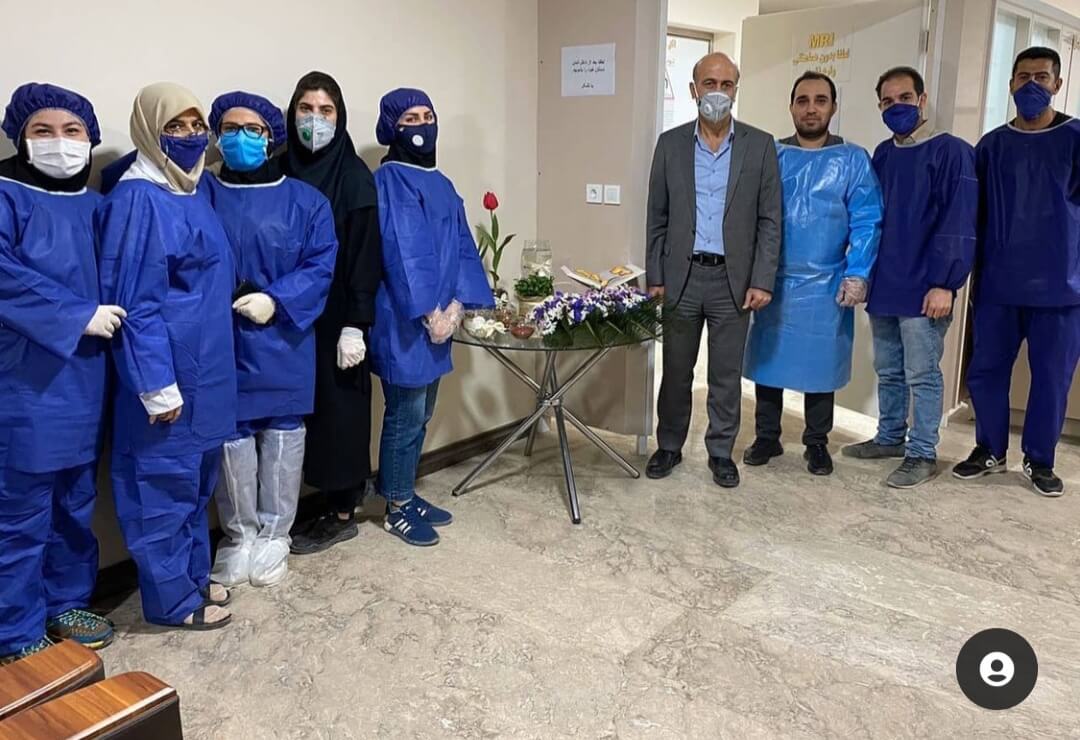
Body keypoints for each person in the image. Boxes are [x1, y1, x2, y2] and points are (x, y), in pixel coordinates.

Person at [96, 83, 237, 630]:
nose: (189, 136)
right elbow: (134, 301)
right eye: (174, 126)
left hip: (204, 370)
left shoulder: (191, 189)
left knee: (194, 489)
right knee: (160, 491)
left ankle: (193, 578)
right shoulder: (137, 199)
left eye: (196, 125)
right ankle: (171, 602)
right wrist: (155, 384)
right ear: (149, 132)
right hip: (166, 375)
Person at [0, 84, 120, 663]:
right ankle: (15, 631)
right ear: (19, 136)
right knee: (20, 512)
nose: (59, 142)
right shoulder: (6, 196)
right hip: (26, 383)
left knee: (75, 501)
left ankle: (65, 602)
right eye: (43, 131)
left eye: (72, 131)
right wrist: (74, 314)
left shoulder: (97, 205)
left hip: (87, 380)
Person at [203, 92, 337, 586]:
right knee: (230, 436)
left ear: (272, 136)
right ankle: (239, 536)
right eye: (230, 128)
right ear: (216, 135)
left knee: (283, 432)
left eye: (253, 129)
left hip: (282, 339)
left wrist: (276, 299)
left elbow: (321, 263)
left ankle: (277, 534)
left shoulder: (306, 201)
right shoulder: (200, 193)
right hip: (219, 342)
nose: (241, 137)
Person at [645, 52, 782, 488]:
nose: (717, 93)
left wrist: (762, 279)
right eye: (709, 83)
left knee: (725, 376)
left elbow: (770, 220)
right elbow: (657, 216)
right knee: (676, 372)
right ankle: (669, 445)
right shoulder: (670, 144)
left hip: (732, 281)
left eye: (726, 84)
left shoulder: (760, 145)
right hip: (681, 278)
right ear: (694, 90)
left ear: (735, 90)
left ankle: (721, 452)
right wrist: (655, 275)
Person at [841, 67, 976, 489]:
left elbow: (959, 221)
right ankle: (889, 437)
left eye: (904, 98)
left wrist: (945, 282)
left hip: (925, 286)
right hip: (886, 282)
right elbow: (871, 217)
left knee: (923, 373)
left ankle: (922, 453)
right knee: (889, 369)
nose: (895, 107)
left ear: (922, 99)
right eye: (887, 101)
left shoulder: (952, 152)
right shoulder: (884, 154)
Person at [954, 47, 1080, 496]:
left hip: (1062, 287)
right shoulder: (991, 147)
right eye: (1023, 77)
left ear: (1057, 84)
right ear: (1010, 84)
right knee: (986, 371)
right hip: (998, 284)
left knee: (1051, 379)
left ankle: (1040, 460)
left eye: (1041, 77)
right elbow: (972, 215)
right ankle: (989, 449)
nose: (1032, 85)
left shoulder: (1075, 139)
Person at [743, 72, 883, 476]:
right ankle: (767, 437)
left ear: (833, 107)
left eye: (820, 100)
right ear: (791, 106)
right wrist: (754, 273)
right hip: (775, 279)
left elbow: (867, 219)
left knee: (821, 365)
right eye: (802, 100)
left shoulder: (852, 160)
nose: (811, 108)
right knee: (770, 361)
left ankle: (816, 442)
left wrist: (858, 273)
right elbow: (752, 216)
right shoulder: (771, 155)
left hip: (827, 282)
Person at [370, 88, 493, 546]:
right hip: (407, 320)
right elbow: (404, 252)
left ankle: (404, 490)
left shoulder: (441, 183)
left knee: (422, 413)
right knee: (405, 414)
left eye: (428, 116)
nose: (422, 126)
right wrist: (429, 313)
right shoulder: (390, 181)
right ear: (392, 128)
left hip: (442, 319)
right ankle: (395, 507)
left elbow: (461, 245)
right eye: (410, 119)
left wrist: (458, 305)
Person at [281, 72, 382, 555]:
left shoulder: (355, 178)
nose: (315, 120)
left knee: (339, 412)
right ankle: (307, 503)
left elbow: (365, 256)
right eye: (306, 109)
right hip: (288, 314)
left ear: (339, 119)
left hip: (339, 315)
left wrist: (356, 325)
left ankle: (343, 511)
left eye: (326, 111)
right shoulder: (279, 169)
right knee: (296, 415)